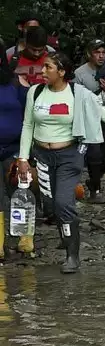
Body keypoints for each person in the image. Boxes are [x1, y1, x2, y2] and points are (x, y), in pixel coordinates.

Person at [15, 52, 105, 273]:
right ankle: (66, 236)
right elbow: (27, 126)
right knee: (51, 204)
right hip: (42, 156)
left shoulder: (78, 94)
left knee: (64, 202)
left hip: (69, 155)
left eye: (48, 68)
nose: (42, 72)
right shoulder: (35, 93)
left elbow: (104, 114)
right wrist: (23, 158)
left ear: (62, 72)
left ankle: (72, 256)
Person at [74, 39, 105, 202]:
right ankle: (96, 190)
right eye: (97, 52)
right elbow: (75, 97)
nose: (101, 56)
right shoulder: (80, 73)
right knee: (94, 155)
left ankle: (94, 181)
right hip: (89, 119)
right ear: (89, 54)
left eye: (103, 53)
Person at [0, 57, 27, 262]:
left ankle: (25, 240)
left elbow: (30, 114)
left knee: (20, 192)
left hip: (14, 148)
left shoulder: (16, 83)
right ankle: (0, 246)